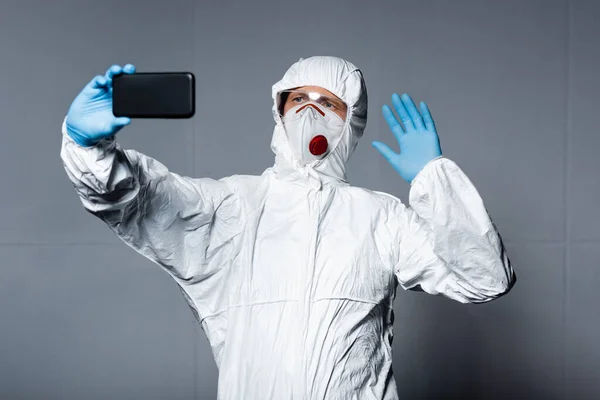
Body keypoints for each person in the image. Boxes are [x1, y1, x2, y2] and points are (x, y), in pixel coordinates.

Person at [60, 56, 516, 400]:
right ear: (279, 111)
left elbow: (485, 278)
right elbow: (141, 201)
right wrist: (90, 149)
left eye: (328, 103)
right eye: (298, 99)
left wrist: (433, 177)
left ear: (351, 120)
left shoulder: (382, 218)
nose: (310, 111)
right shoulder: (235, 205)